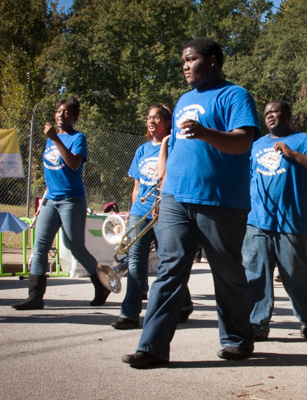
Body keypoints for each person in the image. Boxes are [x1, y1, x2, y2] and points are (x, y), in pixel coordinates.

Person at [122, 38, 261, 368]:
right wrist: (163, 189)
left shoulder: (235, 95)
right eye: (182, 60)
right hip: (174, 198)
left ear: (212, 61)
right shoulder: (184, 99)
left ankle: (237, 340)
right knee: (170, 269)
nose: (185, 65)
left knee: (226, 271)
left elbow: (243, 141)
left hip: (220, 200)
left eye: (191, 59)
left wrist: (206, 133)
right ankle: (151, 347)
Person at [243, 100, 307, 341]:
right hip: (257, 221)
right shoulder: (256, 144)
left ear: (288, 114)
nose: (270, 115)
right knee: (256, 273)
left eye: (275, 111)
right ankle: (257, 324)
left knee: (295, 274)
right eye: (266, 113)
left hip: (290, 221)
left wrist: (292, 154)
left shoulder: (305, 140)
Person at [12, 97, 110, 310]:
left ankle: (101, 285)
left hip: (71, 201)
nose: (60, 115)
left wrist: (55, 139)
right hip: (51, 201)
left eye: (66, 112)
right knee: (40, 247)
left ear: (75, 117)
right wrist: (54, 139)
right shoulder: (50, 139)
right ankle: (35, 296)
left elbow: (74, 164)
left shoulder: (78, 138)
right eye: (58, 111)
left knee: (76, 247)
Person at [110, 105, 193, 329]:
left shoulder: (175, 146)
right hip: (141, 211)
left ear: (168, 122)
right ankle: (129, 314)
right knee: (136, 260)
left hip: (165, 208)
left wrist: (162, 204)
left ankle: (184, 304)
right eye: (148, 117)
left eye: (157, 117)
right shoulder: (142, 150)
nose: (151, 121)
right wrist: (132, 211)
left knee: (168, 260)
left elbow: (166, 176)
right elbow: (137, 185)